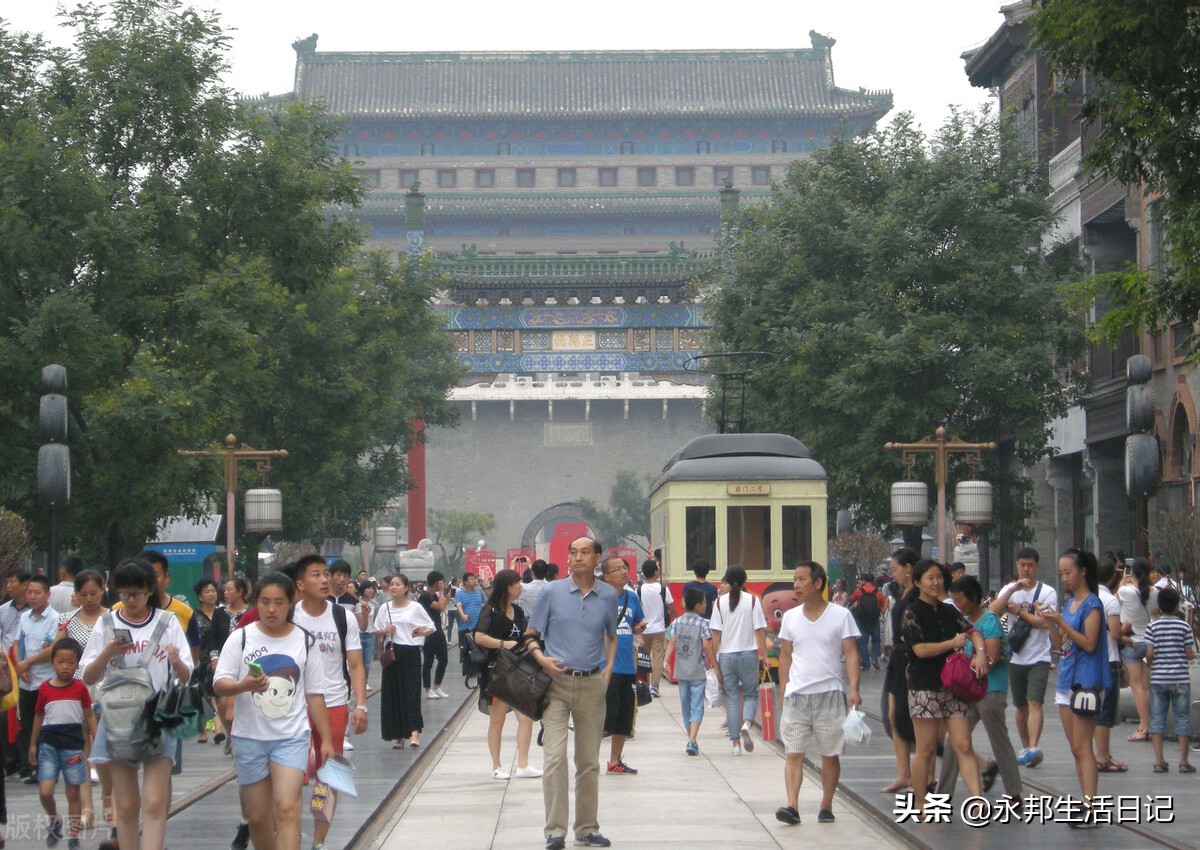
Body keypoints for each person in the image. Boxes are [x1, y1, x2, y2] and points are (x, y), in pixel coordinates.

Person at [213, 571, 334, 850]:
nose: (271, 609)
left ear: (291, 602)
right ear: (255, 602)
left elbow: (315, 694)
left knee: (287, 808)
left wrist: (326, 740)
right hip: (248, 737)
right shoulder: (241, 638)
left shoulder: (304, 641)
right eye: (265, 602)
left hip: (291, 736)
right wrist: (244, 685)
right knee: (257, 817)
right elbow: (219, 684)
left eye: (279, 602)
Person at [81, 559, 192, 850]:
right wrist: (107, 652)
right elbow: (88, 676)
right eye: (125, 594)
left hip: (158, 716)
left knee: (155, 802)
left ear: (149, 591)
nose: (131, 600)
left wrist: (176, 660)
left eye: (138, 593)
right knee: (127, 804)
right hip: (117, 717)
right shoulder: (107, 624)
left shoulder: (167, 622)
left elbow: (187, 674)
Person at [524, 537, 618, 850]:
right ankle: (555, 831)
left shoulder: (607, 596)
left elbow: (611, 635)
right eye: (573, 553)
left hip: (592, 685)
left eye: (585, 553)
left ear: (597, 558)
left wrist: (607, 671)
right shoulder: (551, 592)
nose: (578, 558)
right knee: (553, 758)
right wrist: (541, 659)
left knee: (589, 761)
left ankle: (587, 829)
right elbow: (530, 635)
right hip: (556, 686)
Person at [288, 555, 368, 850]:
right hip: (294, 705)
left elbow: (356, 665)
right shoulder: (289, 616)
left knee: (329, 774)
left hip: (334, 703)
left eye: (325, 574)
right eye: (316, 575)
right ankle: (290, 834)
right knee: (293, 774)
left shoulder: (342, 617)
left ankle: (319, 841)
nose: (324, 580)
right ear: (300, 584)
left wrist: (360, 705)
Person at [773, 561, 861, 826]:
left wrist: (854, 688)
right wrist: (784, 689)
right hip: (797, 696)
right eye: (794, 579)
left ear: (818, 583)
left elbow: (851, 652)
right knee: (793, 753)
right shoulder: (790, 618)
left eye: (801, 579)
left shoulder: (840, 616)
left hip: (830, 693)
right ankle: (792, 806)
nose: (796, 585)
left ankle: (826, 804)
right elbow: (785, 655)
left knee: (829, 754)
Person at [902, 559, 989, 816]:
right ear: (918, 582)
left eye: (938, 577)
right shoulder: (912, 613)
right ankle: (921, 803)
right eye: (930, 578)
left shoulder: (949, 611)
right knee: (926, 749)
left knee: (963, 743)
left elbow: (972, 631)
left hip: (954, 685)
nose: (936, 582)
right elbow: (920, 650)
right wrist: (952, 643)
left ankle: (977, 800)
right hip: (924, 687)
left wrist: (981, 652)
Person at [1037, 548, 1109, 829]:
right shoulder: (1069, 604)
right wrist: (1052, 624)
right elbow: (1063, 644)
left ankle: (1091, 805)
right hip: (1066, 679)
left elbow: (1089, 643)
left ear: (1082, 572)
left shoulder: (1092, 604)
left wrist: (1060, 621)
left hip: (1085, 681)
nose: (1064, 578)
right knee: (1075, 748)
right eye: (1061, 573)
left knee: (1083, 746)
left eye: (1068, 572)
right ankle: (1086, 800)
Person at [936, 576, 1024, 800]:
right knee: (954, 741)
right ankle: (943, 794)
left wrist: (979, 660)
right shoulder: (963, 620)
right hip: (966, 691)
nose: (957, 603)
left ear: (974, 598)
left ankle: (1014, 793)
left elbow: (992, 656)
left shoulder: (989, 621)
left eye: (960, 599)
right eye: (954, 599)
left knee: (998, 740)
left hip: (990, 690)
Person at [989, 546, 1057, 768]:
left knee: (1035, 701)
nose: (1026, 569)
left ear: (1037, 566)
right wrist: (1012, 589)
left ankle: (1033, 747)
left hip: (1039, 655)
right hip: (1016, 656)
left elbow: (1045, 623)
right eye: (1022, 565)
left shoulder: (1047, 592)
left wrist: (1019, 612)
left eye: (1030, 565)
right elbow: (993, 612)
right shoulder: (1011, 589)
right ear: (1017, 566)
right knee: (1020, 705)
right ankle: (1026, 746)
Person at [28, 636, 95, 850]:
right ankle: (54, 819)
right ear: (52, 663)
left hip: (73, 744)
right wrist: (33, 744)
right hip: (48, 744)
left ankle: (73, 835)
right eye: (60, 662)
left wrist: (98, 738)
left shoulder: (80, 688)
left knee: (73, 791)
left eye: (70, 662)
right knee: (45, 791)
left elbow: (89, 715)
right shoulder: (45, 689)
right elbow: (38, 716)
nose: (65, 667)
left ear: (77, 664)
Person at [474, 569, 542, 780]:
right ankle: (497, 765)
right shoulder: (491, 610)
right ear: (507, 587)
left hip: (518, 669)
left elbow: (525, 635)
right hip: (497, 671)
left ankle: (523, 763)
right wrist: (504, 644)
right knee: (498, 720)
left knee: (526, 717)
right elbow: (479, 636)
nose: (520, 587)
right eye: (517, 584)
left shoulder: (518, 612)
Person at [55, 570, 109, 826]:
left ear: (103, 589)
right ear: (75, 594)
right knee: (81, 748)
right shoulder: (67, 620)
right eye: (83, 594)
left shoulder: (112, 619)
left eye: (94, 593)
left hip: (106, 690)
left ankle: (108, 798)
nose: (89, 599)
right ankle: (87, 807)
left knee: (103, 747)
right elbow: (57, 653)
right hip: (75, 690)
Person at [710, 567, 769, 756]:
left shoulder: (719, 603)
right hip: (748, 654)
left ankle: (735, 744)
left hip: (727, 655)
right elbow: (759, 630)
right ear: (745, 581)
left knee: (733, 698)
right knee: (751, 695)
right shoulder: (753, 601)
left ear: (727, 580)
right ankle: (747, 723)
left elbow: (715, 634)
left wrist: (714, 661)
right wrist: (765, 656)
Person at [374, 574, 436, 749]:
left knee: (410, 692)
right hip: (392, 652)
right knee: (392, 693)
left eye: (398, 584)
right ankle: (398, 734)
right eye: (391, 584)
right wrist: (385, 630)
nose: (393, 587)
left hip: (410, 652)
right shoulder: (384, 608)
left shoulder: (415, 607)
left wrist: (420, 632)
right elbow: (376, 630)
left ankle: (414, 731)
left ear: (406, 588)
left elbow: (431, 627)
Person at [1144, 586, 1195, 773]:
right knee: (1182, 718)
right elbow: (1190, 654)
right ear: (1176, 606)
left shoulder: (1152, 626)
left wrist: (1151, 663)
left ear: (1159, 605)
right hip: (1180, 678)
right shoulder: (1184, 626)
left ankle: (1159, 761)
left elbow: (1149, 652)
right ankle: (1183, 761)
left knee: (1157, 719)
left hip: (1158, 678)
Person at [600, 555, 643, 774]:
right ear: (606, 576)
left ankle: (614, 761)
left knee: (624, 718)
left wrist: (639, 627)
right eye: (617, 569)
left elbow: (636, 621)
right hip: (604, 667)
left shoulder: (632, 598)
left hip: (627, 665)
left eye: (624, 567)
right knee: (603, 718)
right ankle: (588, 760)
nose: (623, 571)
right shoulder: (598, 599)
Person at [880, 549, 918, 794]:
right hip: (898, 655)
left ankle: (922, 776)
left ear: (908, 568)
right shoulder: (902, 592)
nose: (892, 574)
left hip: (911, 657)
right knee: (895, 716)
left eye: (895, 569)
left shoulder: (919, 594)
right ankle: (904, 773)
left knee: (913, 718)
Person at [15, 576, 58, 786]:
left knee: (44, 725)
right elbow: (17, 641)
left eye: (37, 592)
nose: (32, 596)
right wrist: (20, 664)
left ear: (47, 594)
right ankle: (28, 766)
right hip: (26, 681)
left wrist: (27, 662)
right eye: (29, 592)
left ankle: (44, 766)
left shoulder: (55, 619)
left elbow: (52, 649)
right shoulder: (24, 618)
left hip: (46, 679)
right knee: (26, 723)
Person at [668, 588, 716, 755]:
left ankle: (692, 740)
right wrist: (714, 663)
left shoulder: (677, 622)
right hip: (698, 670)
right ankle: (692, 740)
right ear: (698, 605)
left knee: (685, 706)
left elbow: (672, 642)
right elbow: (706, 646)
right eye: (704, 602)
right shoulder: (704, 623)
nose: (705, 605)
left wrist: (666, 661)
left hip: (681, 670)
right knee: (697, 706)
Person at [1094, 556, 1128, 773]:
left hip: (1089, 661)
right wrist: (1128, 631)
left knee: (1094, 710)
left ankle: (1101, 754)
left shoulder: (1086, 596)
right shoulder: (1110, 601)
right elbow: (1115, 633)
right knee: (1105, 712)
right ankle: (1103, 757)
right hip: (1108, 660)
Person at [1117, 558, 1157, 743]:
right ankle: (1149, 724)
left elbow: (1114, 601)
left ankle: (1144, 726)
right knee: (1145, 685)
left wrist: (1122, 581)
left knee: (1136, 685)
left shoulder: (1125, 591)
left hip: (1132, 642)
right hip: (1149, 642)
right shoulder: (1155, 592)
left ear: (1133, 572)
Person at [192, 578, 231, 745]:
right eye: (207, 591)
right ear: (200, 596)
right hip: (200, 659)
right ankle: (202, 731)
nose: (211, 594)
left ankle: (218, 729)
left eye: (213, 590)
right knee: (201, 695)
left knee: (216, 694)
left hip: (218, 659)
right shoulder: (193, 616)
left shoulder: (223, 614)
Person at [636, 559, 673, 697]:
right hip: (659, 629)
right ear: (655, 572)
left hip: (643, 629)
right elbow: (670, 607)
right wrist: (675, 619)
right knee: (657, 657)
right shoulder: (663, 589)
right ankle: (654, 687)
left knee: (643, 658)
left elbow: (636, 609)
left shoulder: (639, 589)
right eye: (658, 568)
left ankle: (643, 685)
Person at [418, 571, 451, 700]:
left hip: (438, 631)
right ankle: (428, 689)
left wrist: (446, 597)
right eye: (441, 582)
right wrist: (442, 593)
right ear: (437, 582)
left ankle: (437, 686)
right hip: (428, 632)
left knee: (443, 659)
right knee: (428, 662)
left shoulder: (434, 595)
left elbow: (442, 606)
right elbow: (439, 607)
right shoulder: (424, 596)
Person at [848, 575, 884, 671]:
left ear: (864, 580)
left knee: (863, 642)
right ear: (873, 581)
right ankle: (875, 658)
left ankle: (866, 664)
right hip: (875, 620)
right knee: (876, 640)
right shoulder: (878, 593)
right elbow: (883, 604)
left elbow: (851, 599)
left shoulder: (859, 591)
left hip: (862, 620)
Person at [357, 580, 379, 688]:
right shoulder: (357, 603)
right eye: (368, 588)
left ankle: (364, 682)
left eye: (372, 588)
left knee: (366, 661)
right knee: (357, 661)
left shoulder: (374, 605)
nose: (370, 590)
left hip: (370, 635)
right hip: (358, 634)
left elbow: (376, 620)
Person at [455, 573, 486, 647]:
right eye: (471, 579)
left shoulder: (479, 591)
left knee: (480, 653)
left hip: (479, 627)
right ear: (465, 582)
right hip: (465, 627)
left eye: (474, 579)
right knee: (465, 653)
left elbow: (487, 603)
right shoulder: (460, 593)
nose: (474, 580)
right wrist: (462, 615)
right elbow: (459, 605)